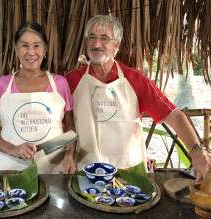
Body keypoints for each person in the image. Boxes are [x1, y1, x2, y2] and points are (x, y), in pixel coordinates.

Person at [66, 14, 211, 181]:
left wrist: (196, 151)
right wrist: (64, 156)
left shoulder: (136, 80)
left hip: (130, 174)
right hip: (86, 174)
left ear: (116, 46)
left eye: (104, 38)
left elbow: (174, 115)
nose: (96, 44)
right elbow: (63, 126)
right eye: (92, 37)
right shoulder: (71, 81)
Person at [0, 22, 76, 174]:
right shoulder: (1, 85)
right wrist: (12, 149)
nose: (31, 52)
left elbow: (70, 128)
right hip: (11, 168)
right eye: (24, 45)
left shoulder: (60, 83)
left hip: (53, 168)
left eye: (37, 45)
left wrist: (69, 155)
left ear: (44, 49)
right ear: (16, 49)